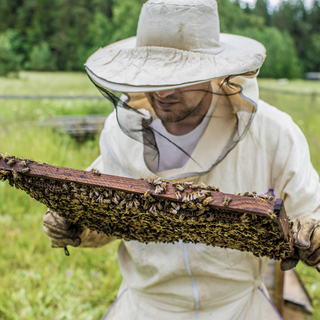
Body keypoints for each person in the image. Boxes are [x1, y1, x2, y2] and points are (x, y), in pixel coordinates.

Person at [43, 0, 320, 319]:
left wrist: (313, 233)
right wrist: (77, 223)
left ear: (214, 69)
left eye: (181, 74)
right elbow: (109, 217)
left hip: (237, 307)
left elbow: (310, 209)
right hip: (145, 307)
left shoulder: (273, 132)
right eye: (154, 72)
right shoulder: (118, 133)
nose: (163, 90)